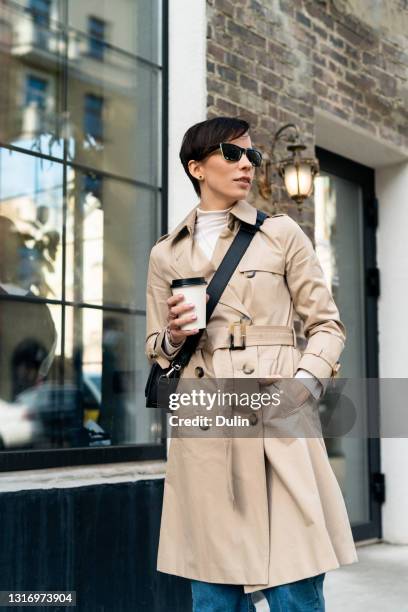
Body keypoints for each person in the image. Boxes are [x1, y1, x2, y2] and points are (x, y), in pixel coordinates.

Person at [145, 117, 358, 611]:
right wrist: (175, 335)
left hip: (277, 421)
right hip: (205, 427)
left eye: (254, 156)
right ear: (197, 167)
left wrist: (303, 387)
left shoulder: (282, 234)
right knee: (215, 597)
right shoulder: (164, 254)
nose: (247, 164)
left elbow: (327, 326)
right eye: (233, 153)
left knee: (294, 590)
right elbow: (156, 347)